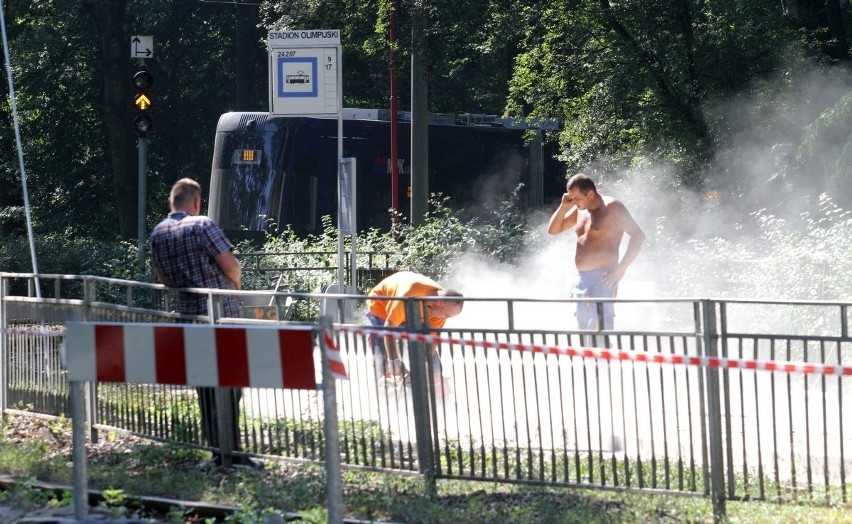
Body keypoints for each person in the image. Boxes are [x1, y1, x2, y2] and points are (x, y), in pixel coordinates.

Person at [150, 177, 259, 469]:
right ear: (197, 202)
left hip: (190, 319)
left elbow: (165, 279)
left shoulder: (158, 232)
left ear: (170, 202)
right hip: (223, 318)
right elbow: (231, 266)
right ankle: (233, 453)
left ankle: (216, 451)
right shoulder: (203, 225)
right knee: (231, 386)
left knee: (206, 388)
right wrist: (236, 286)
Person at [547, 173, 646, 331]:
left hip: (603, 278)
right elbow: (553, 230)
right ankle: (585, 356)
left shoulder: (612, 207)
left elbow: (639, 236)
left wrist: (621, 269)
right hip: (581, 279)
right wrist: (563, 208)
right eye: (570, 198)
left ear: (591, 193)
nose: (573, 201)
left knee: (600, 331)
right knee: (582, 329)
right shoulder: (580, 210)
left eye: (576, 198)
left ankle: (605, 355)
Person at [366, 271, 464, 389]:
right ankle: (381, 392)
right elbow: (389, 328)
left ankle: (436, 393)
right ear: (440, 303)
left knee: (432, 363)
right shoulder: (408, 296)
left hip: (414, 312)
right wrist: (393, 360)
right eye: (446, 315)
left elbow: (430, 344)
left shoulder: (441, 307)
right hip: (382, 307)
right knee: (380, 354)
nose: (444, 319)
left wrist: (419, 370)